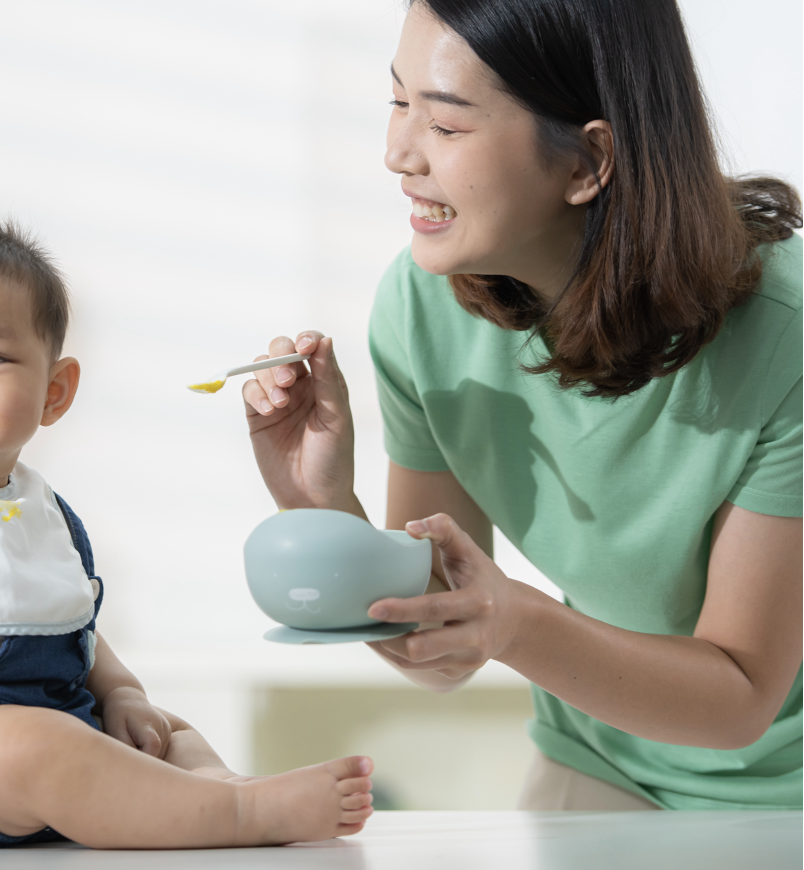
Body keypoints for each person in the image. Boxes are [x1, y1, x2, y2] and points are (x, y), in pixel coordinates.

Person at [242, 0, 801, 812]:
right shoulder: (421, 307)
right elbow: (441, 640)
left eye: (447, 124)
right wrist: (322, 506)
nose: (397, 153)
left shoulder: (787, 337)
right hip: (598, 758)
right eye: (398, 102)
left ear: (586, 162)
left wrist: (517, 625)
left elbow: (741, 696)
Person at [0, 213, 374, 859]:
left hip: (55, 729)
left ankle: (218, 787)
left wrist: (121, 695)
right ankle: (238, 813)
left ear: (55, 391)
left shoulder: (40, 513)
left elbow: (72, 629)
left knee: (165, 730)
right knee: (33, 744)